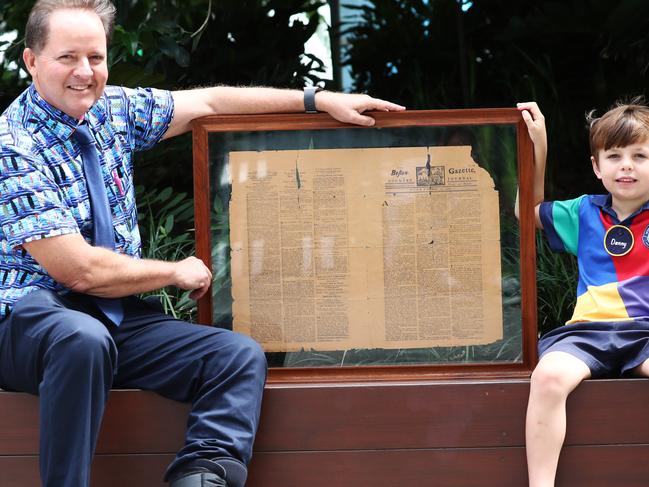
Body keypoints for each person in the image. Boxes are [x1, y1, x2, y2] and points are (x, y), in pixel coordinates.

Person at [0, 1, 405, 486]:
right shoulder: (12, 144)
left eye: (96, 57)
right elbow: (78, 272)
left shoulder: (112, 111)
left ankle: (201, 478)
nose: (85, 73)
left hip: (113, 321)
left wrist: (317, 101)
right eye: (68, 58)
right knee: (81, 340)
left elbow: (209, 103)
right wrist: (174, 272)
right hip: (28, 327)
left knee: (236, 356)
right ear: (31, 61)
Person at [517, 99, 649, 487]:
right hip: (588, 333)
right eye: (614, 155)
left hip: (645, 333)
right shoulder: (582, 212)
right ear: (597, 167)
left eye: (640, 155)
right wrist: (538, 144)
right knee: (548, 379)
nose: (626, 164)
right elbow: (528, 212)